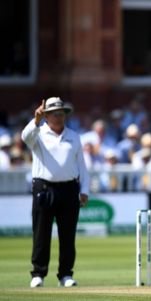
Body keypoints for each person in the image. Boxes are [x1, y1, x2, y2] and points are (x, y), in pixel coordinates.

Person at [21, 97, 90, 288]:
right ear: (46, 116)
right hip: (44, 188)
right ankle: (38, 274)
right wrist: (35, 120)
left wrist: (84, 190)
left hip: (69, 189)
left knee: (68, 235)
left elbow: (82, 166)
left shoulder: (73, 136)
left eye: (62, 114)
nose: (60, 117)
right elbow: (25, 137)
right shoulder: (38, 133)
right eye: (55, 114)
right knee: (41, 233)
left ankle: (66, 275)